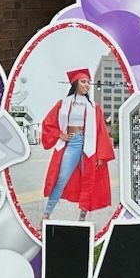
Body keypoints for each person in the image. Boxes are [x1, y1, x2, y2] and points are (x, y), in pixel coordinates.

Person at [40, 68, 114, 222]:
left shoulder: (94, 107)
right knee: (61, 178)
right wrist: (60, 134)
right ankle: (46, 216)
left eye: (88, 82)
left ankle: (82, 218)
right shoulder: (63, 104)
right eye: (83, 81)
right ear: (75, 83)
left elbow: (101, 131)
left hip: (89, 144)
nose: (87, 85)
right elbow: (48, 123)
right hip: (73, 143)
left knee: (89, 180)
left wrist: (101, 155)